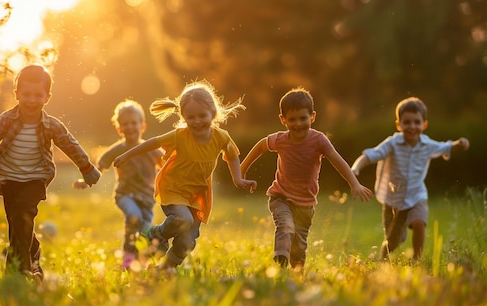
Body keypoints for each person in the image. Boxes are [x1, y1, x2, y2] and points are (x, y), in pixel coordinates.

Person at [0, 64, 101, 282]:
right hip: (8, 179)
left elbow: (69, 144)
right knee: (16, 224)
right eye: (26, 94)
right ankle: (33, 252)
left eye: (38, 95)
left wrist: (87, 168)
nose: (32, 100)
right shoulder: (6, 119)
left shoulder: (51, 125)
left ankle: (19, 270)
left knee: (22, 215)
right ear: (17, 94)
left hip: (36, 179)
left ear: (47, 97)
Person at [113, 81, 256, 271]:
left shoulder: (221, 137)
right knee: (183, 220)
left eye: (202, 116)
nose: (197, 121)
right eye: (190, 117)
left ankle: (164, 269)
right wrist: (126, 155)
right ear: (183, 117)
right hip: (173, 189)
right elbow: (152, 143)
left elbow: (232, 157)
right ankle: (154, 234)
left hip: (197, 195)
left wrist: (238, 179)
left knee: (187, 240)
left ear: (212, 112)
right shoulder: (180, 136)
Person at [241, 87, 373, 270]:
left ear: (312, 116)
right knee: (285, 227)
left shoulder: (318, 140)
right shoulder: (280, 139)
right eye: (292, 119)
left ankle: (296, 275)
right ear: (283, 120)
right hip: (281, 197)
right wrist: (242, 168)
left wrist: (355, 184)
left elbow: (338, 161)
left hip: (305, 204)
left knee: (299, 246)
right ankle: (280, 259)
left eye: (303, 118)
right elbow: (260, 147)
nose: (298, 124)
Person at [351, 97, 470, 261]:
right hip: (393, 199)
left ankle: (416, 259)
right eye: (407, 122)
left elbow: (446, 148)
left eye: (416, 122)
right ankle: (383, 258)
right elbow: (371, 155)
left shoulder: (427, 145)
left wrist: (459, 143)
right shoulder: (392, 143)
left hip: (417, 195)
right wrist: (355, 168)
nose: (412, 126)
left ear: (424, 124)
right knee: (395, 240)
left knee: (420, 222)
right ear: (399, 125)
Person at [73, 99, 164, 269]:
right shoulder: (118, 149)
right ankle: (127, 258)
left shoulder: (150, 148)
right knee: (133, 217)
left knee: (145, 232)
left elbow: (166, 165)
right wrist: (85, 181)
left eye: (133, 123)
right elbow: (100, 166)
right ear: (119, 128)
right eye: (125, 124)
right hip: (125, 195)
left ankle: (139, 262)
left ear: (142, 126)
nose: (129, 127)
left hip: (147, 199)